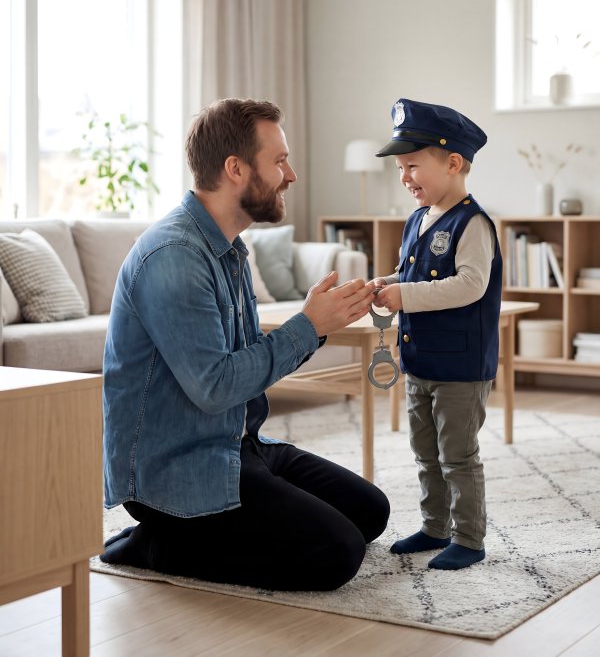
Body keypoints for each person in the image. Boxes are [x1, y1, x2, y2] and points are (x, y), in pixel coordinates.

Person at [100, 98, 390, 591]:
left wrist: (315, 323)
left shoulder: (230, 250)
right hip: (177, 468)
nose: (292, 174)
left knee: (370, 512)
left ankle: (211, 531)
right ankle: (156, 543)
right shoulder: (174, 256)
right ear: (235, 169)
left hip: (237, 444)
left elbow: (247, 359)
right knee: (336, 555)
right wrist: (309, 325)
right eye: (279, 160)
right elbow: (214, 386)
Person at [372, 97, 502, 570]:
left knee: (457, 455)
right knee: (425, 452)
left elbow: (470, 285)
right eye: (401, 169)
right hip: (421, 362)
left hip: (460, 368)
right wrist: (385, 284)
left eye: (412, 167)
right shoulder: (416, 219)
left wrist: (404, 296)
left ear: (452, 163)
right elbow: (413, 273)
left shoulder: (473, 223)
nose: (405, 178)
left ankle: (468, 538)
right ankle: (434, 526)